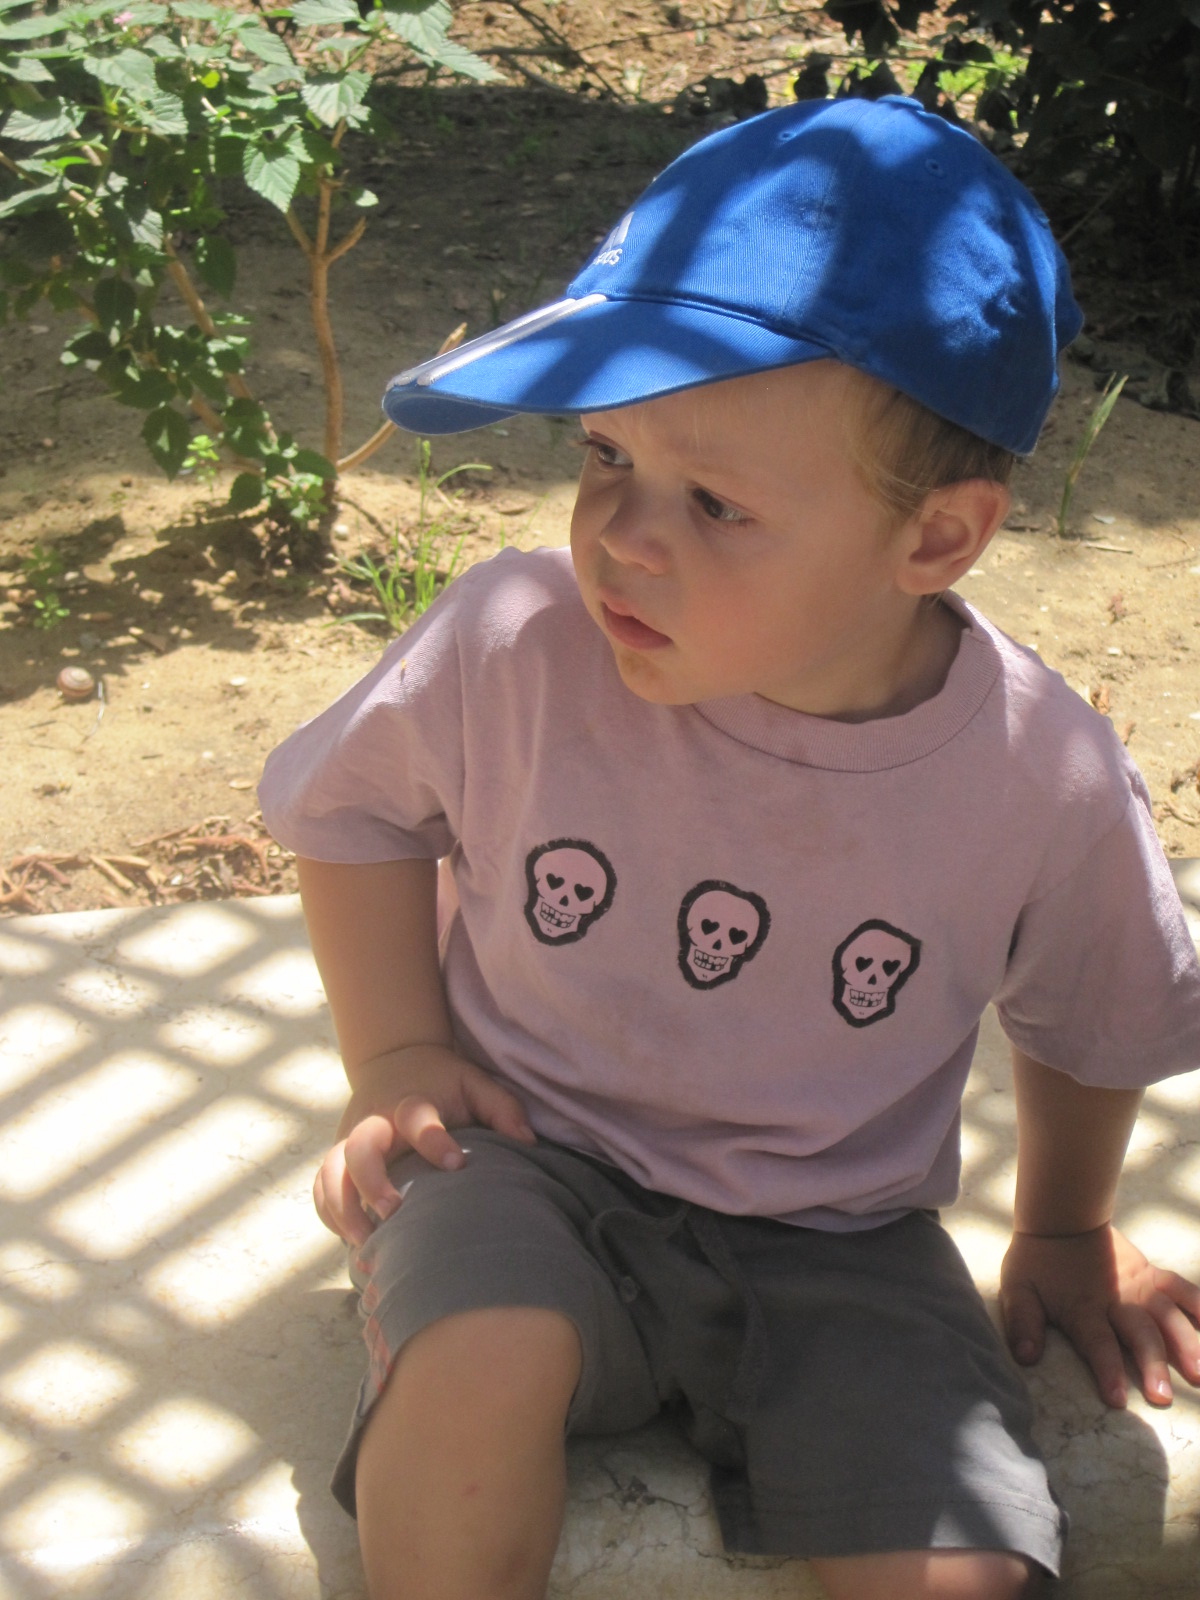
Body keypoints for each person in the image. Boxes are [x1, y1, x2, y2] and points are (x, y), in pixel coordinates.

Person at [259, 95, 1200, 1600]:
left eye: (714, 502)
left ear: (935, 539)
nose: (622, 535)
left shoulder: (1041, 774)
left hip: (843, 1241)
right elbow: (350, 808)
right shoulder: (516, 641)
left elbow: (1098, 1013)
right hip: (522, 1163)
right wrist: (395, 1056)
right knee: (474, 1373)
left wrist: (1068, 1228)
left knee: (962, 1562)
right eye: (604, 453)